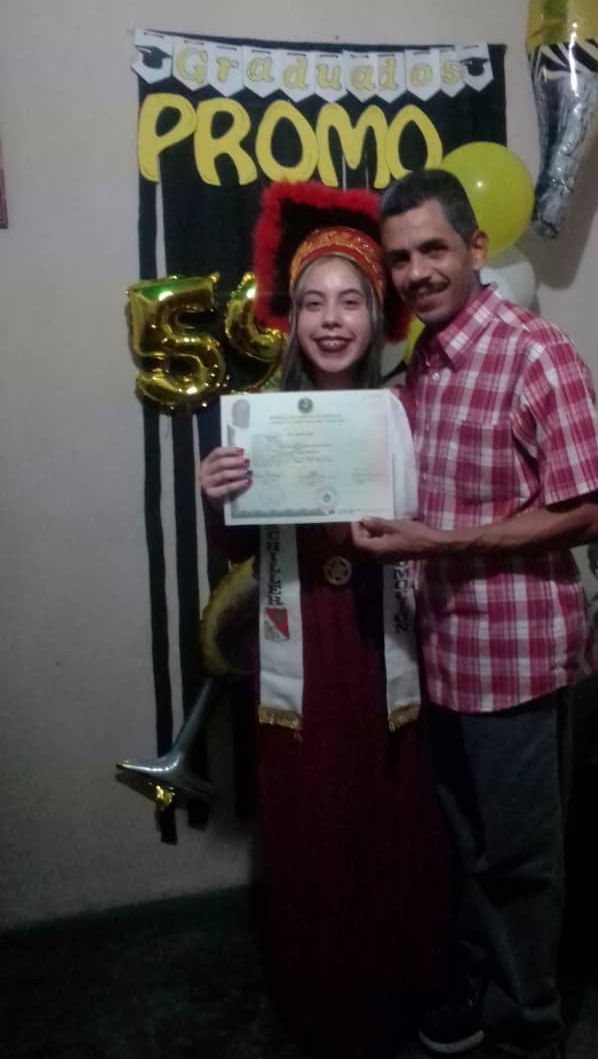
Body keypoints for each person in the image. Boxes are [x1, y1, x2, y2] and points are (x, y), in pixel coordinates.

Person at [352, 169, 598, 1059]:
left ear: (475, 248)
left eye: (433, 249)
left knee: (520, 858)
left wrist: (438, 543)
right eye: (400, 259)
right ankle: (482, 990)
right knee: (466, 844)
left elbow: (590, 512)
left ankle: (528, 1026)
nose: (416, 273)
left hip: (515, 656)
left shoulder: (535, 353)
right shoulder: (424, 360)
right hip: (443, 652)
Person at [199, 181, 447, 1059]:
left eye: (350, 301)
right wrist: (217, 492)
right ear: (292, 317)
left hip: (380, 649)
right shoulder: (260, 424)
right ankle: (319, 1004)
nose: (332, 320)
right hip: (298, 653)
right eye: (314, 303)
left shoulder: (406, 413)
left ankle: (396, 993)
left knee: (389, 824)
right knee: (310, 832)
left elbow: (440, 532)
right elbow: (237, 545)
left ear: (376, 315)